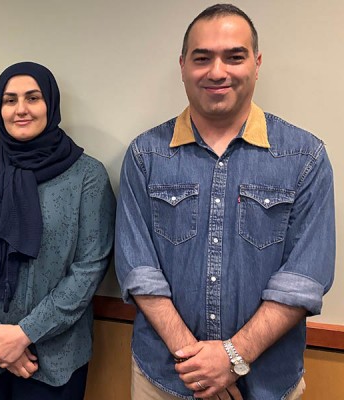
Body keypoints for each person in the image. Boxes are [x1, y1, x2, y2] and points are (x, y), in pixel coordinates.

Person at [115, 4, 335, 399]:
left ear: (256, 62)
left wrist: (232, 357)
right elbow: (138, 270)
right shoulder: (145, 156)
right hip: (164, 379)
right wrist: (198, 366)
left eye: (235, 56)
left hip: (268, 383)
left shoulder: (305, 157)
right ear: (183, 65)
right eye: (202, 58)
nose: (218, 71)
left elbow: (305, 279)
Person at [0, 61, 115, 400]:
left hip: (55, 356)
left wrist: (24, 334)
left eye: (32, 98)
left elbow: (90, 267)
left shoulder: (87, 176)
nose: (21, 109)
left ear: (50, 104)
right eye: (10, 100)